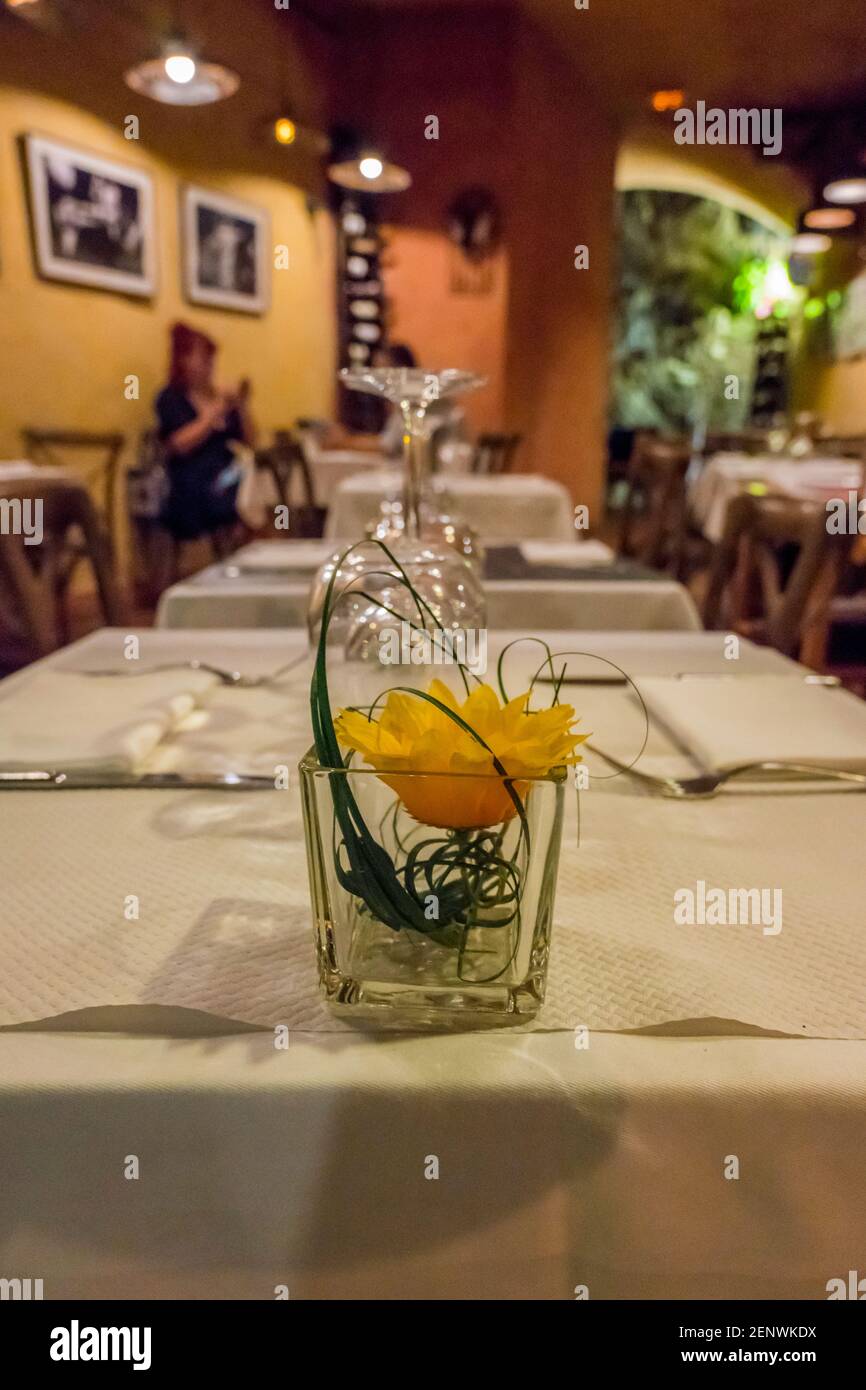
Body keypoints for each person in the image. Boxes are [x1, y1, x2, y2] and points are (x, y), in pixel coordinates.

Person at [154, 322, 255, 544]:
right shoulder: (171, 399)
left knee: (258, 483)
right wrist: (212, 414)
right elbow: (178, 445)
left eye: (211, 359)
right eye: (204, 358)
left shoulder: (218, 398)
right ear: (182, 360)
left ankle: (248, 547)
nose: (210, 365)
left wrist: (242, 406)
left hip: (228, 474)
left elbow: (249, 442)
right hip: (192, 482)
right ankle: (238, 547)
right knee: (237, 492)